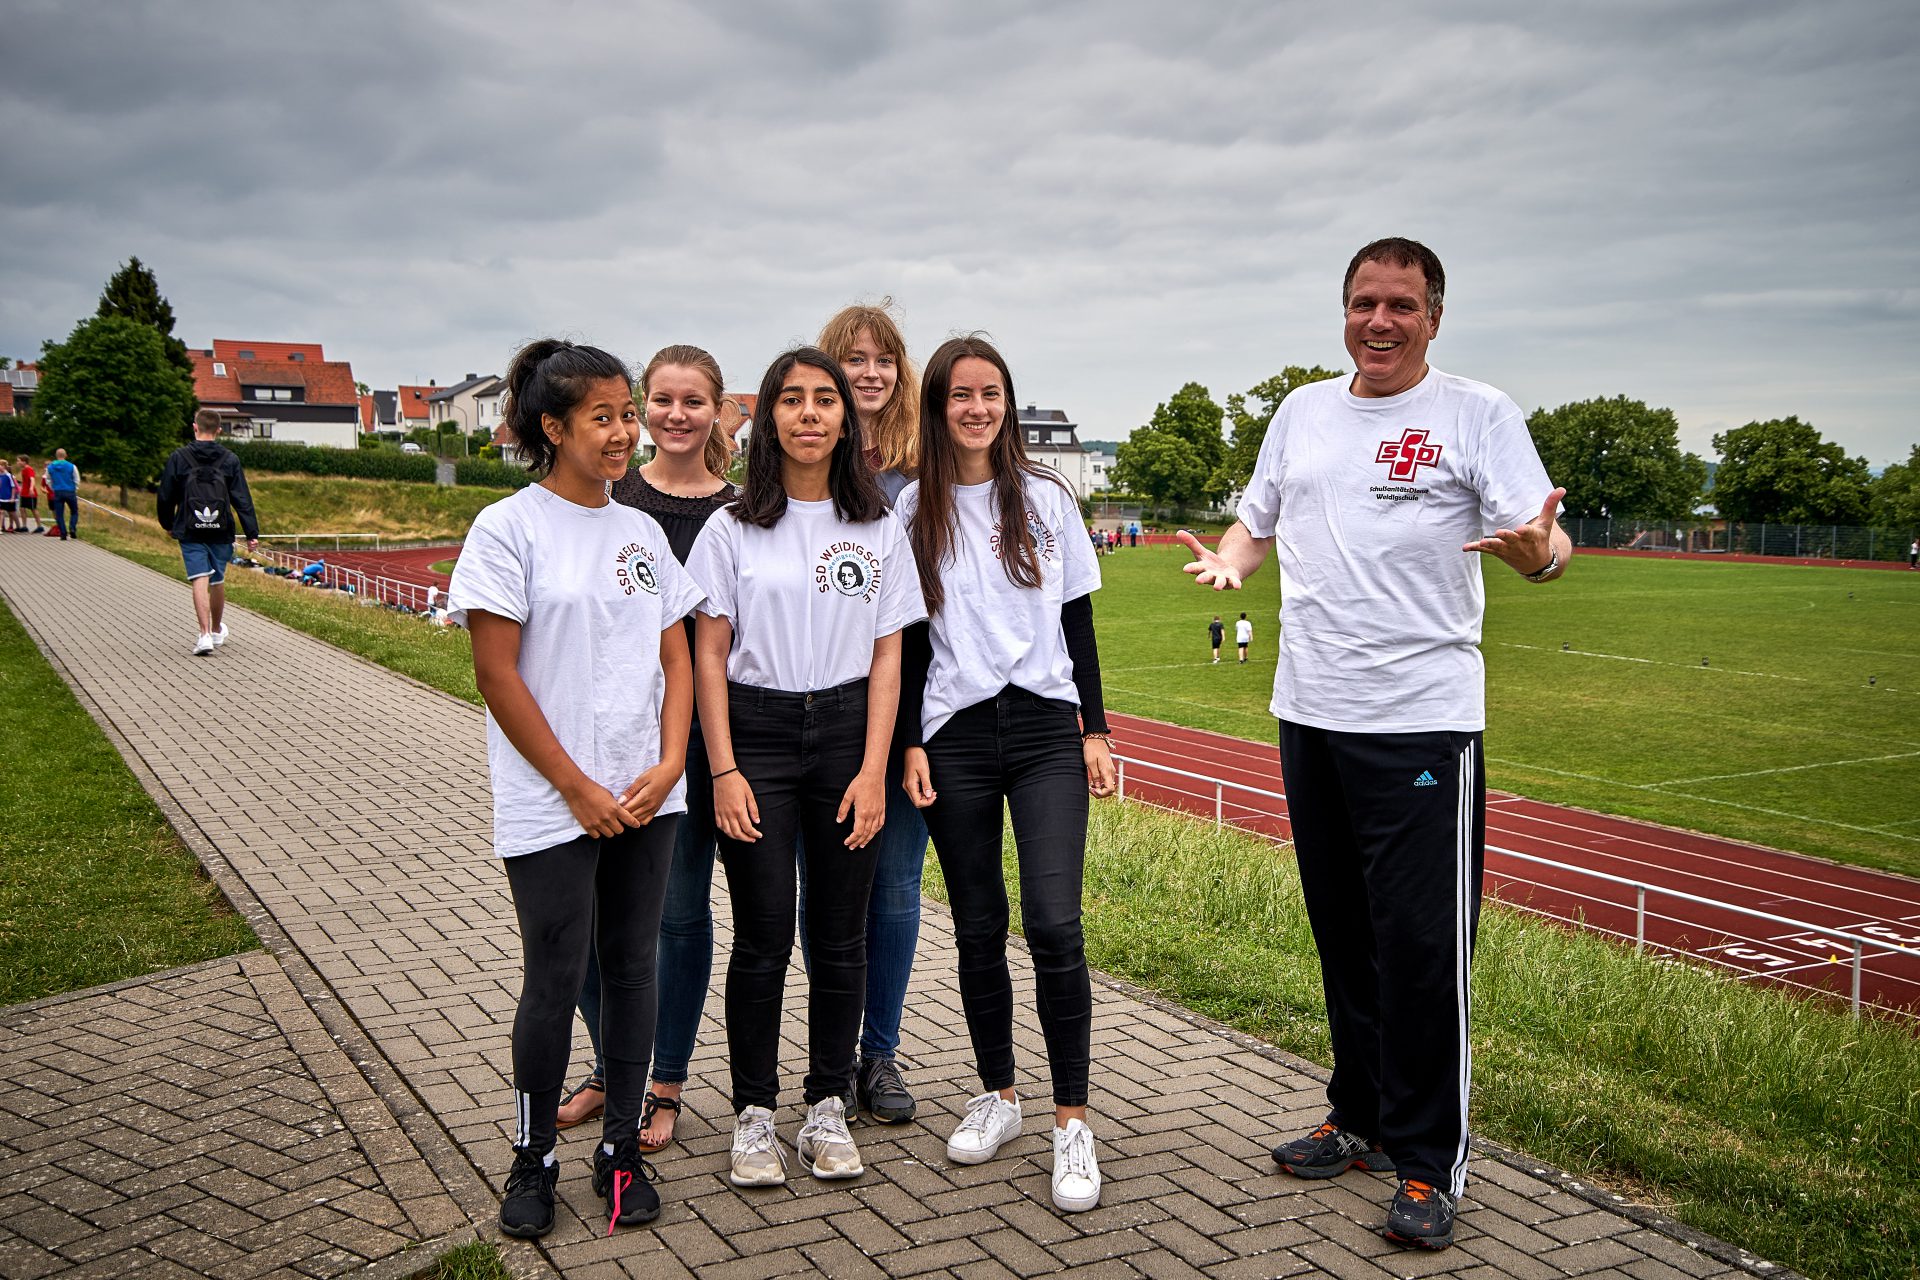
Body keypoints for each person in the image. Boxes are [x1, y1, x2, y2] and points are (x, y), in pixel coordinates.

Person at [1178, 237, 1569, 1251]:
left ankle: (1431, 1160)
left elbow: (1544, 540)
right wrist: (1229, 563)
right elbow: (1254, 523)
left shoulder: (1477, 414)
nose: (1380, 321)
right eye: (1364, 302)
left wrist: (1544, 554)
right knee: (1343, 931)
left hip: (1424, 719)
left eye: (1401, 303)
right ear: (1343, 311)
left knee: (1424, 947)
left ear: (1434, 315)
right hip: (1311, 710)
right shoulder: (1304, 411)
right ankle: (1357, 1113)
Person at [446, 339, 703, 1238]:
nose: (625, 432)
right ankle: (532, 1161)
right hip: (552, 801)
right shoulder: (506, 529)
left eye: (627, 414)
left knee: (635, 971)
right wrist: (574, 787)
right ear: (551, 427)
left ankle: (622, 1154)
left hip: (644, 795)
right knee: (554, 979)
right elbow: (498, 676)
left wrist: (671, 763)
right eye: (605, 417)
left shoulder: (638, 530)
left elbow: (677, 655)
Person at [686, 347, 924, 1189]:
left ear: (845, 418)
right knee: (761, 937)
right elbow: (708, 654)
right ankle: (754, 1114)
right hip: (756, 732)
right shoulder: (732, 525)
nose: (812, 414)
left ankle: (825, 1105)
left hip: (848, 733)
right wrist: (722, 768)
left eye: (827, 400)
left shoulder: (877, 527)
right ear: (769, 419)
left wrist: (872, 771)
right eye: (793, 400)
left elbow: (890, 659)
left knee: (840, 937)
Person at [896, 336, 1116, 1214]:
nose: (977, 408)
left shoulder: (1050, 500)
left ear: (1007, 403)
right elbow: (910, 639)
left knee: (1055, 925)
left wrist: (1094, 728)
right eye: (961, 395)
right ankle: (1000, 1095)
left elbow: (1079, 622)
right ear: (939, 407)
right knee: (979, 924)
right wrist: (911, 740)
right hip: (953, 732)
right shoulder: (915, 509)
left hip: (1042, 729)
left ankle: (1072, 1123)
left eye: (991, 393)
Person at [556, 345, 737, 1155]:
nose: (671, 415)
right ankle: (612, 1068)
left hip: (693, 744)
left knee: (675, 915)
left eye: (690, 401)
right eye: (655, 400)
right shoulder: (608, 492)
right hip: (604, 740)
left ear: (718, 410)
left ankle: (664, 1081)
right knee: (593, 924)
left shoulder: (743, 508)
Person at [808, 300, 930, 1124]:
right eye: (853, 358)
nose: (870, 371)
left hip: (917, 706)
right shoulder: (803, 463)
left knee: (892, 889)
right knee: (826, 896)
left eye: (883, 357)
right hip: (825, 712)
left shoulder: (930, 474)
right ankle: (828, 1055)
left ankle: (877, 1054)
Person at [156, 410, 261, 656]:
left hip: (190, 527)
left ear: (195, 427)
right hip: (221, 528)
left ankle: (203, 635)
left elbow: (165, 495)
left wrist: (168, 523)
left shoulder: (179, 458)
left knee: (199, 577)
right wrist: (251, 532)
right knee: (217, 579)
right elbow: (242, 498)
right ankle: (216, 630)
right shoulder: (230, 459)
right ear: (219, 430)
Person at [44, 449, 78, 540]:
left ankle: (63, 533)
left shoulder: (50, 467)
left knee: (59, 514)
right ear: (66, 455)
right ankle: (72, 527)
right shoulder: (72, 466)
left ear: (56, 455)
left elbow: (48, 480)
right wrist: (75, 488)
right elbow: (76, 479)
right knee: (74, 511)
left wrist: (53, 488)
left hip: (58, 491)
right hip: (70, 491)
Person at [15, 455, 40, 533]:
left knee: (33, 509)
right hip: (24, 493)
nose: (17, 463)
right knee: (22, 508)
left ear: (24, 462)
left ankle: (39, 526)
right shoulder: (23, 470)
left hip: (30, 493)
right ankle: (24, 526)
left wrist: (31, 488)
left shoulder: (29, 469)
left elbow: (32, 479)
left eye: (19, 461)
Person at [0, 460, 17, 532]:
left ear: (3, 466)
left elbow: (13, 486)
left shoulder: (8, 475)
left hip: (7, 497)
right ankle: (1, 527)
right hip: (1, 497)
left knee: (10, 512)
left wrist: (12, 497)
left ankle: (11, 525)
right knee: (1, 512)